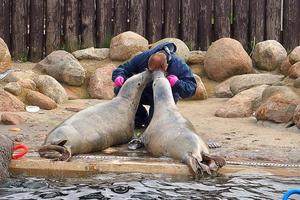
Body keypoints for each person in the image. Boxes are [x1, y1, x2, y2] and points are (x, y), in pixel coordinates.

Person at [112, 42, 197, 129]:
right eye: (150, 71)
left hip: (163, 97)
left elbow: (192, 88)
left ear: (166, 66)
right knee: (119, 89)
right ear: (148, 62)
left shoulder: (178, 65)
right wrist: (119, 76)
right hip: (144, 92)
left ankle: (151, 120)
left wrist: (177, 83)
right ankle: (139, 117)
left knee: (153, 127)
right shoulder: (143, 57)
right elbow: (123, 68)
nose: (153, 75)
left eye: (156, 72)